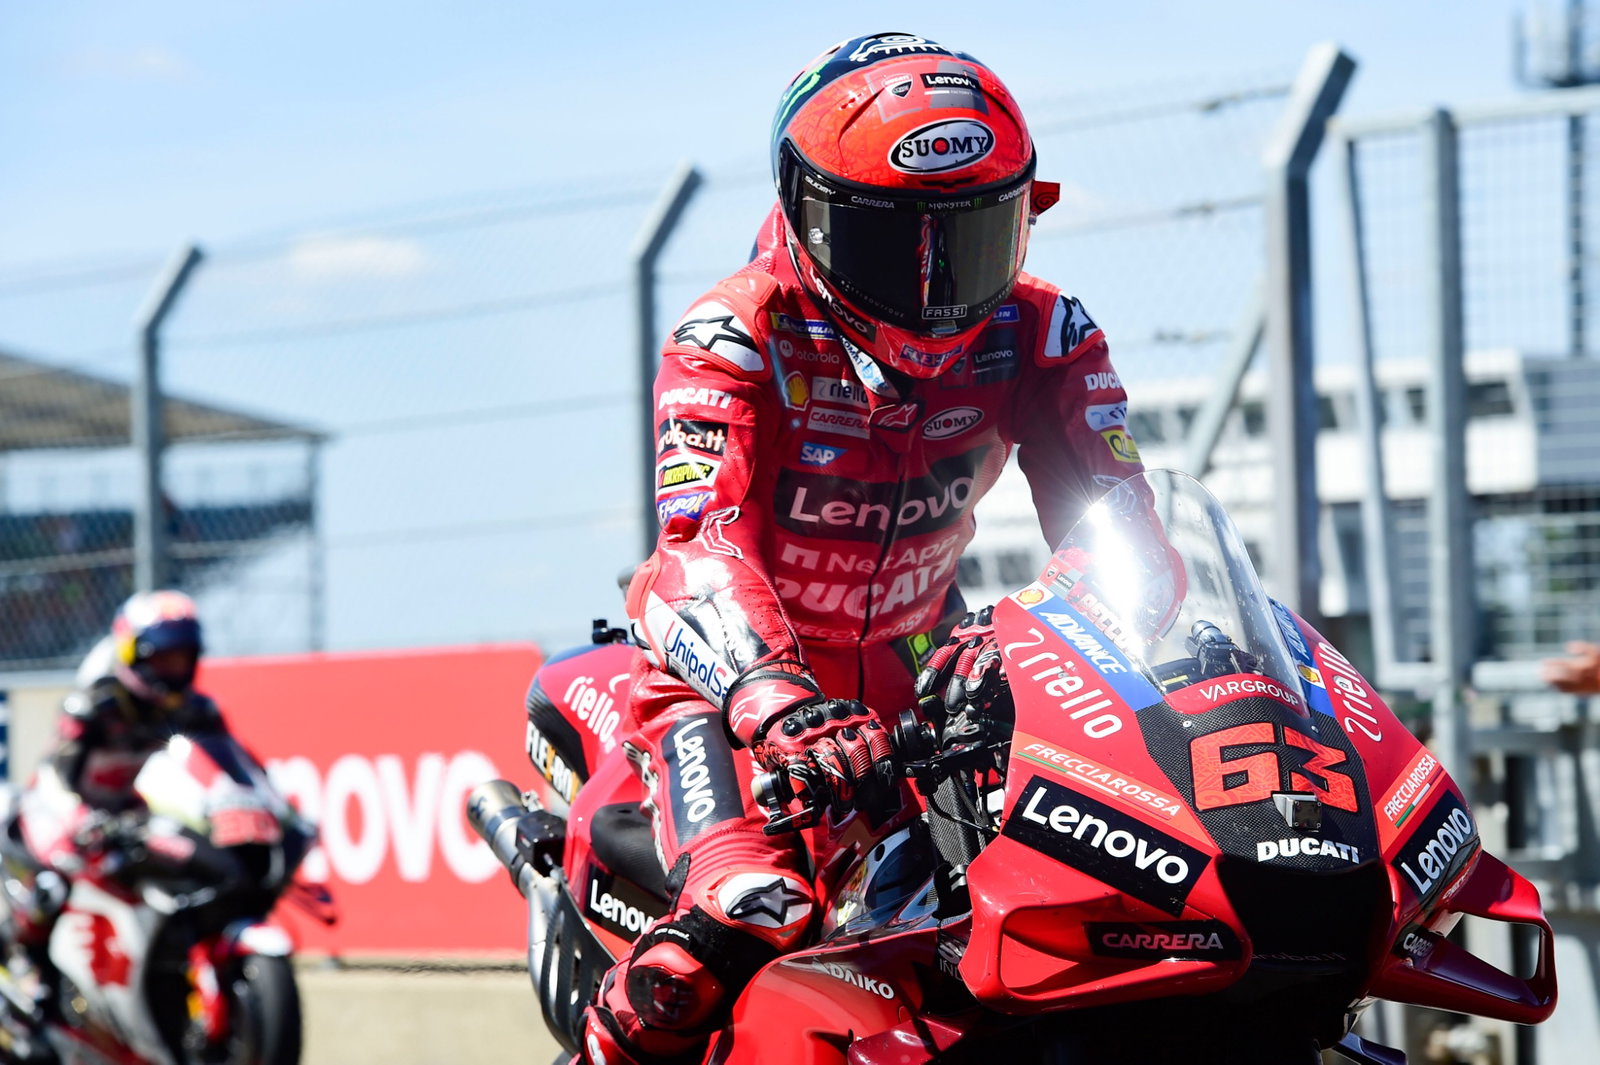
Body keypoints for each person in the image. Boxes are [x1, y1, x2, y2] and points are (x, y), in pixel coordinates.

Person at [581, 31, 1144, 1064]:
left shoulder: (1046, 331)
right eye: (892, 246)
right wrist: (776, 702)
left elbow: (1119, 529)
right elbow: (697, 542)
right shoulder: (734, 333)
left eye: (968, 240)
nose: (933, 287)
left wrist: (1054, 640)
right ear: (803, 213)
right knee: (746, 912)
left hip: (914, 683)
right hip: (724, 701)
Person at [0, 589, 229, 1010]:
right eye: (162, 658)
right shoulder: (94, 705)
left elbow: (222, 771)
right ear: (132, 655)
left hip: (133, 819)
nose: (173, 669)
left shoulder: (199, 712)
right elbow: (54, 775)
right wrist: (80, 818)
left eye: (181, 657)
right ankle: (27, 969)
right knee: (52, 882)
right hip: (65, 814)